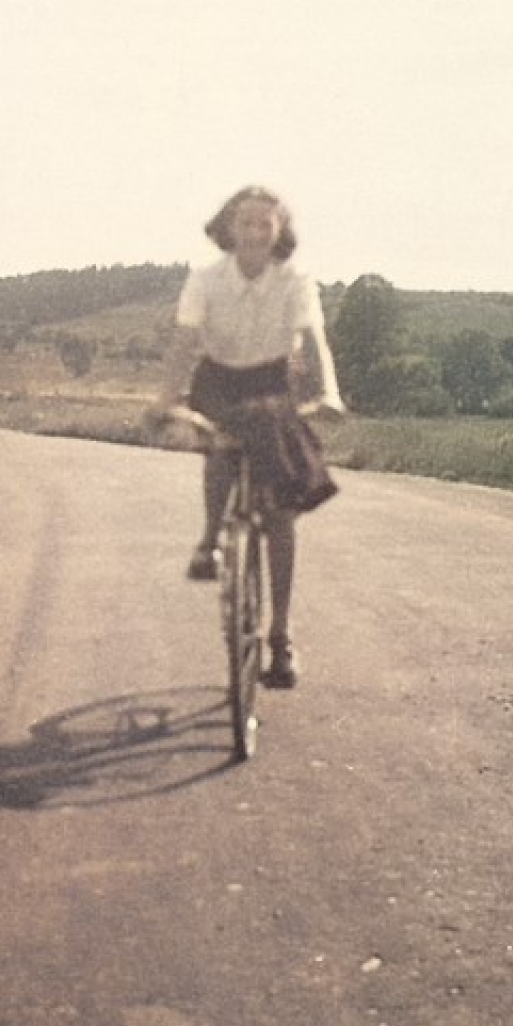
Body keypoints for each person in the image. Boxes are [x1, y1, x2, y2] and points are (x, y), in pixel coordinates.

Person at [150, 185, 345, 690]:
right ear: (228, 229)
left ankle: (280, 637)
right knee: (218, 445)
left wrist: (328, 393)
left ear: (280, 232)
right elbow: (185, 343)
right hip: (219, 382)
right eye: (246, 224)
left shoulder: (295, 280)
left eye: (266, 224)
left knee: (280, 511)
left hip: (272, 385)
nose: (256, 233)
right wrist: (165, 399)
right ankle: (211, 540)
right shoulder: (206, 279)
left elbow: (313, 339)